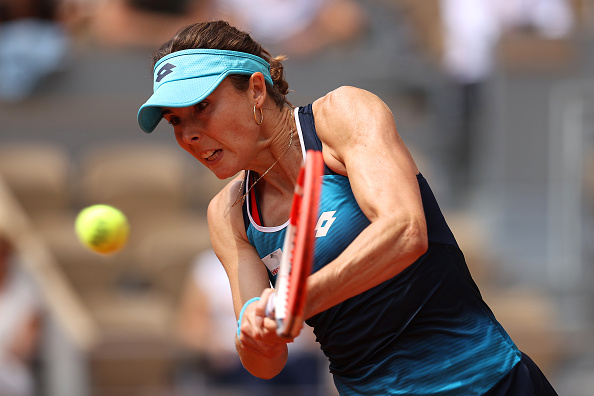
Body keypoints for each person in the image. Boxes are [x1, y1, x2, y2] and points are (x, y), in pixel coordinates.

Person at [137, 20, 557, 395]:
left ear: (257, 90)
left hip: (489, 383)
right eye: (175, 121)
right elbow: (267, 363)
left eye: (202, 108)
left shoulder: (341, 115)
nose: (189, 134)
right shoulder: (227, 214)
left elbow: (405, 231)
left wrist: (298, 299)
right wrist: (254, 336)